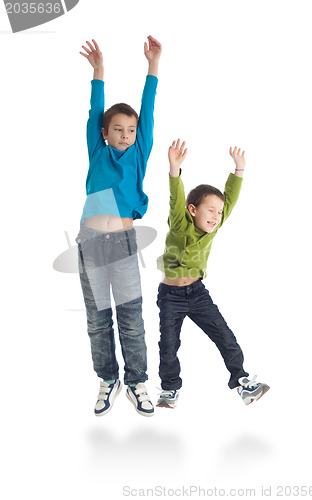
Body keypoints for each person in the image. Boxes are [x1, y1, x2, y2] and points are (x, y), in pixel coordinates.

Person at [76, 37, 162, 417]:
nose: (125, 135)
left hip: (124, 242)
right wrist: (98, 73)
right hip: (91, 241)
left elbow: (149, 110)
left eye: (130, 130)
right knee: (98, 321)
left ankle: (137, 382)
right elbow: (96, 109)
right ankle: (107, 379)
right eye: (118, 129)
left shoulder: (139, 153)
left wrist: (153, 67)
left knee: (130, 318)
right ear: (106, 132)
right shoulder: (98, 151)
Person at [156, 139, 269, 408]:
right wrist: (174, 169)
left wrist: (238, 170)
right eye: (211, 211)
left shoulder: (214, 226)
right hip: (170, 295)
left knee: (224, 335)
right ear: (193, 210)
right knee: (169, 344)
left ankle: (241, 381)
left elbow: (229, 200)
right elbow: (176, 200)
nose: (217, 216)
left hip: (197, 293)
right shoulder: (180, 222)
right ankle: (169, 389)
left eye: (219, 213)